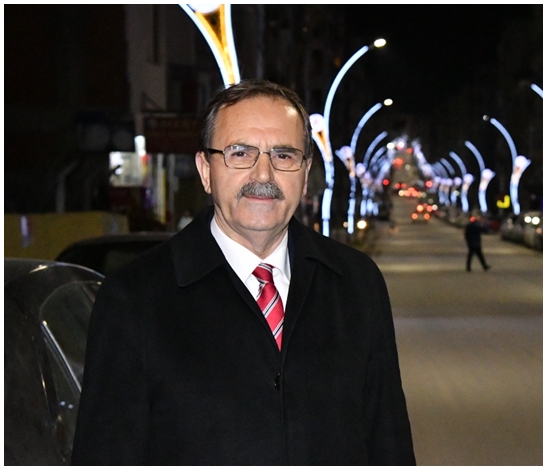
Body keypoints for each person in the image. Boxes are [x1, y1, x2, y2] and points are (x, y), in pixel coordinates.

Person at [71, 80, 415, 465]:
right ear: (205, 170)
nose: (263, 174)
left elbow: (389, 443)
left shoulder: (356, 283)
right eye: (240, 153)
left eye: (283, 155)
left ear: (305, 172)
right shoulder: (135, 297)